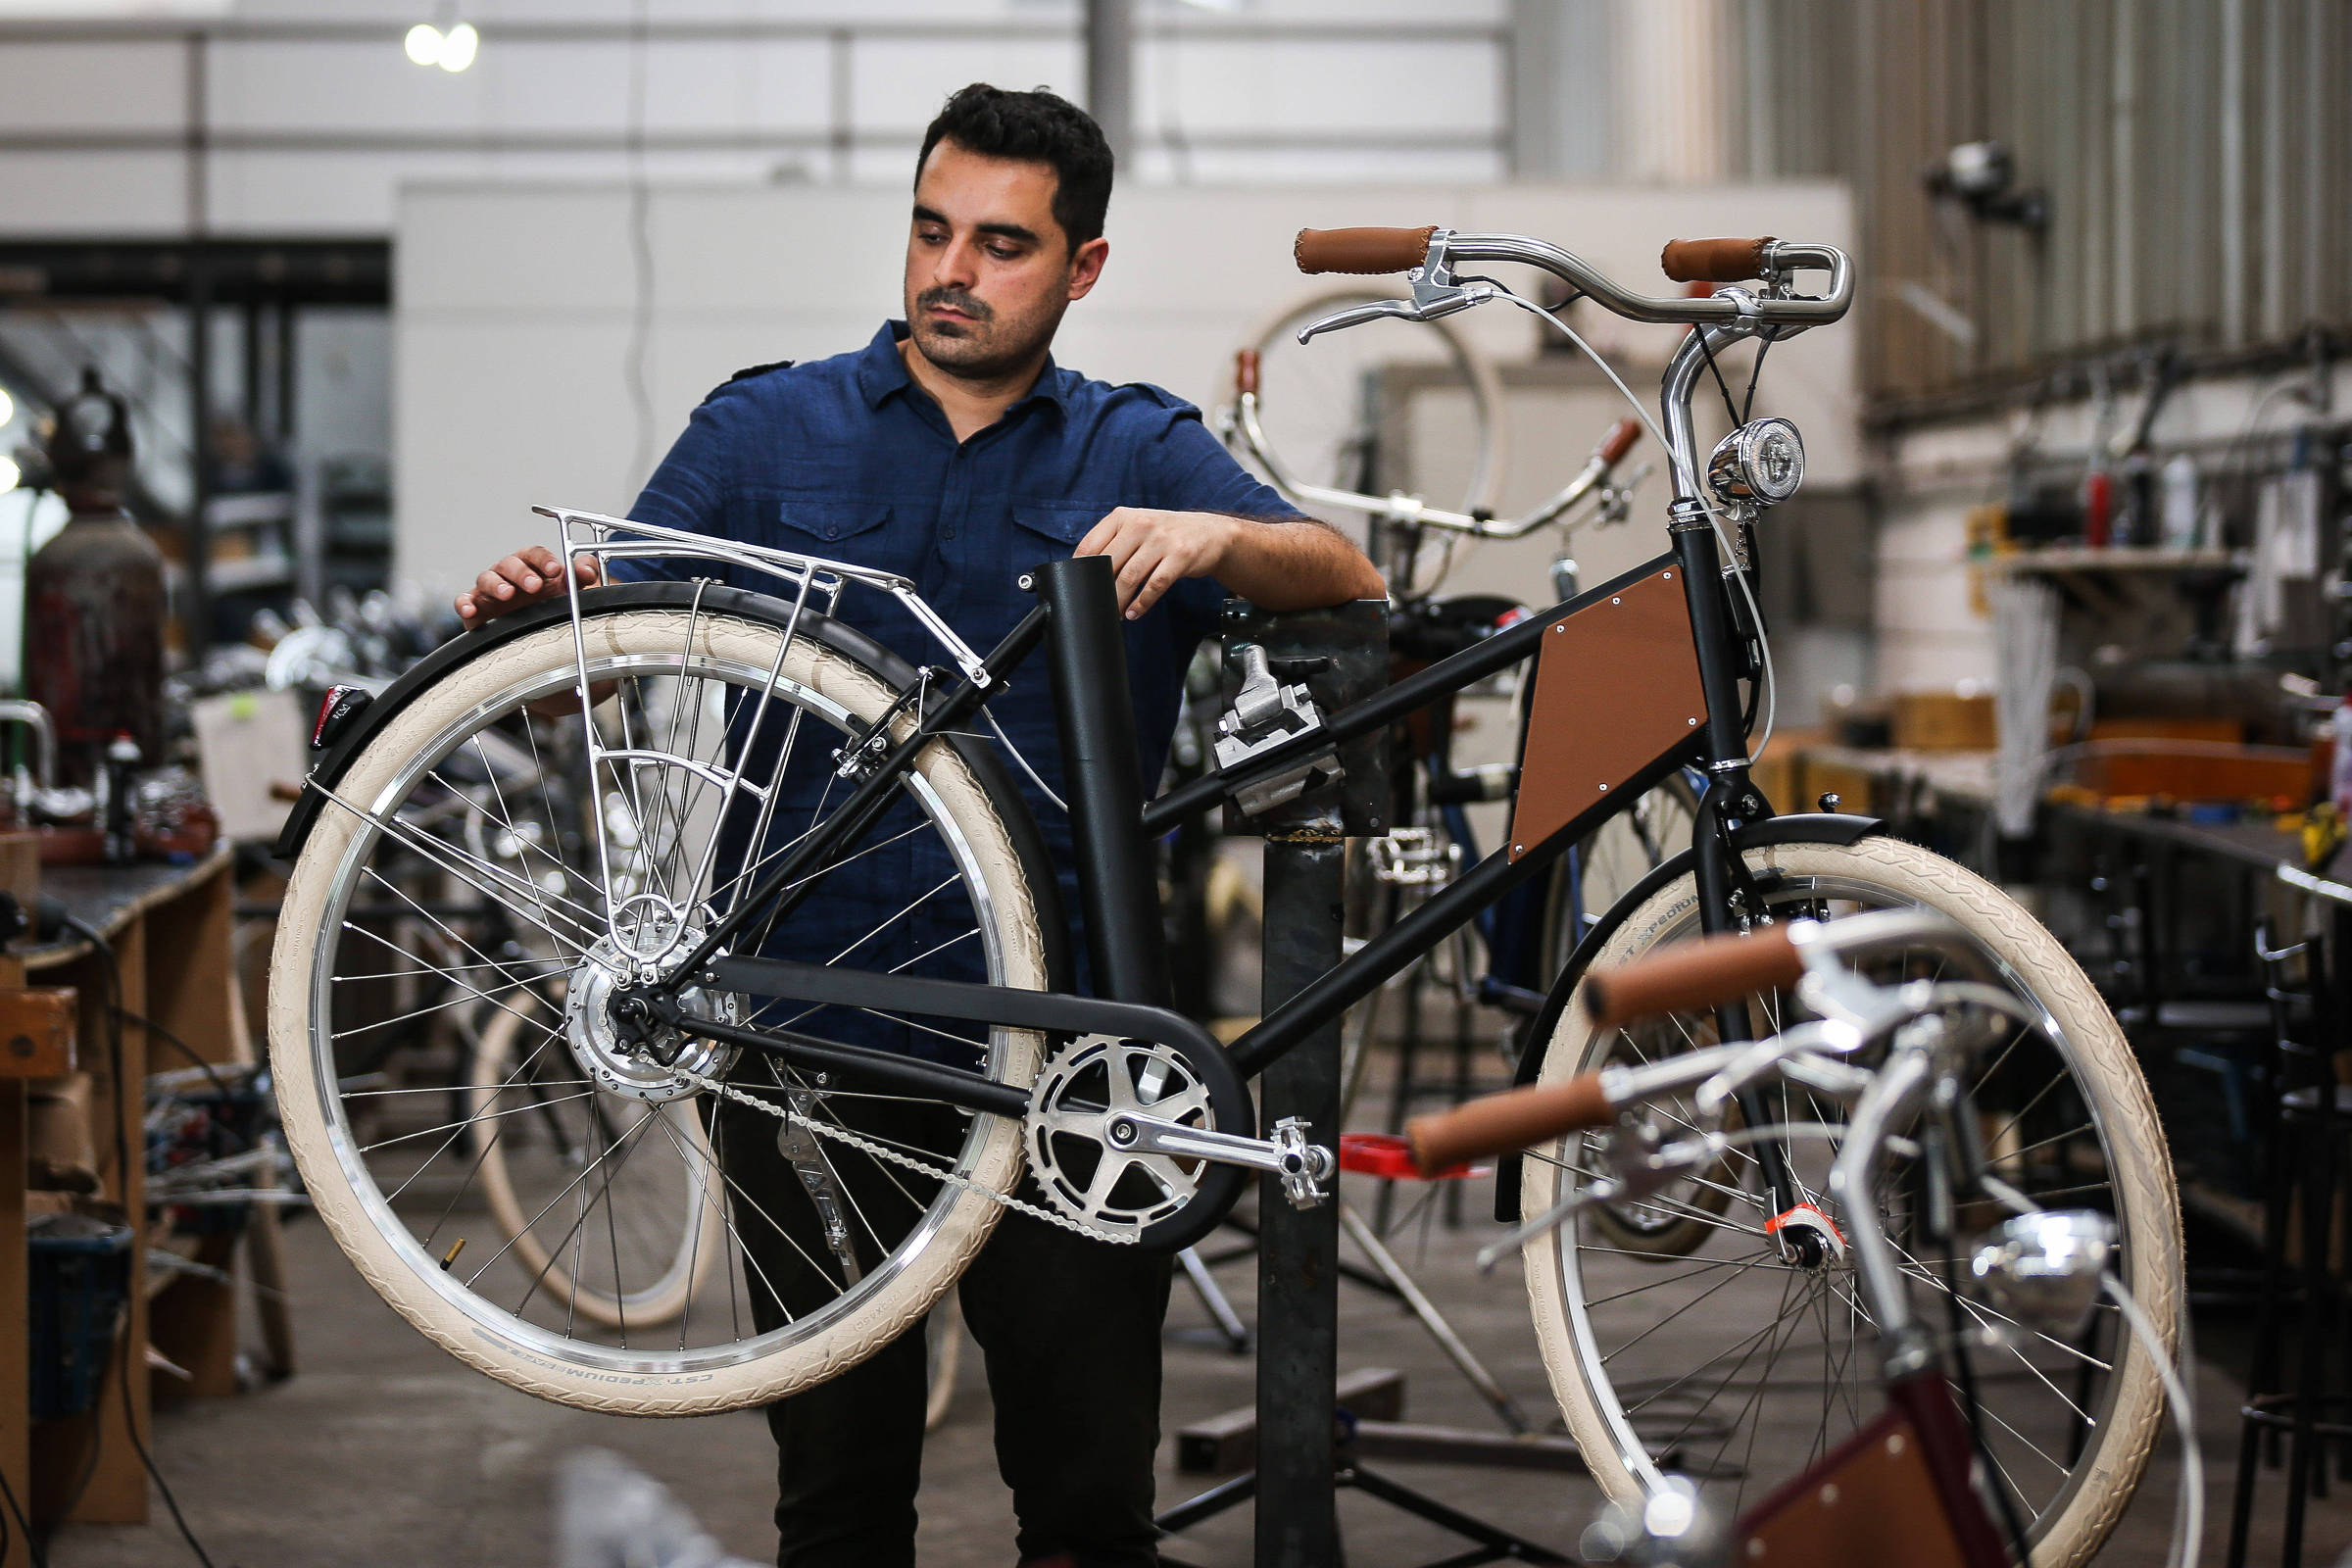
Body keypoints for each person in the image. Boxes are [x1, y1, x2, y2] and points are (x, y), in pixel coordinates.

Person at [454, 83, 1381, 1568]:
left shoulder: (1137, 451)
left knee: (1086, 1507)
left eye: (1003, 244)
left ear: (1080, 269)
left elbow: (1345, 579)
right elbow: (607, 641)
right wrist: (541, 622)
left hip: (1071, 1049)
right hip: (809, 1039)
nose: (953, 269)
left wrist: (1222, 538)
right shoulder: (766, 431)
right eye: (932, 230)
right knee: (837, 1502)